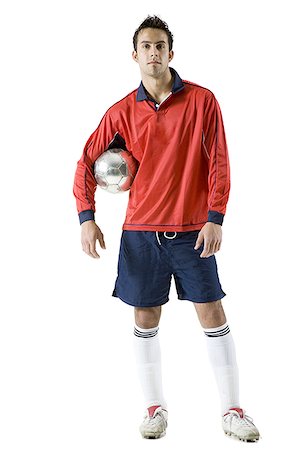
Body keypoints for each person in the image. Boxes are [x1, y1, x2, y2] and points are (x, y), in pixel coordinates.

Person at [73, 15, 260, 442]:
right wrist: (87, 218)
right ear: (134, 55)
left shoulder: (202, 101)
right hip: (140, 233)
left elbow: (220, 162)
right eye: (146, 46)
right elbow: (86, 162)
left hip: (194, 229)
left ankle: (233, 410)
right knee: (145, 316)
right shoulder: (121, 111)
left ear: (171, 53)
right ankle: (154, 408)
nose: (153, 53)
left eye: (160, 46)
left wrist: (216, 217)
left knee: (212, 312)